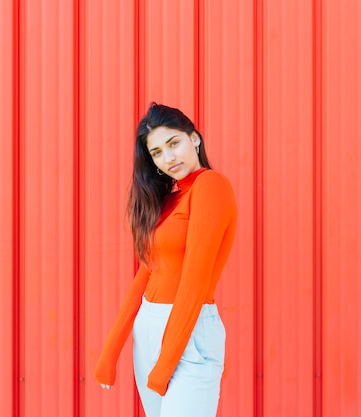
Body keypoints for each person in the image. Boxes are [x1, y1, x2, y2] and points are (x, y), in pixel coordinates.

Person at [94, 103, 237, 417]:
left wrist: (166, 363)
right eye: (157, 152)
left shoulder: (211, 187)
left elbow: (195, 281)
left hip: (188, 333)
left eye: (174, 143)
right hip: (149, 328)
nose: (168, 157)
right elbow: (146, 275)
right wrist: (110, 351)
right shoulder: (170, 200)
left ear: (194, 138)